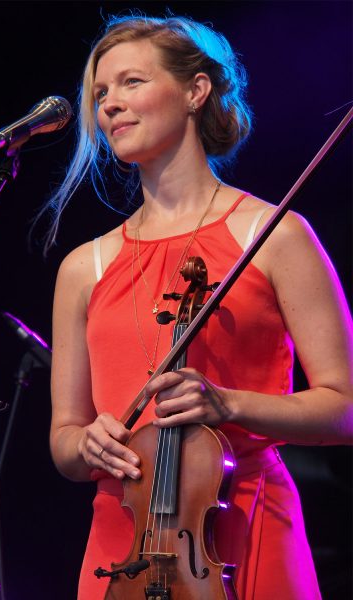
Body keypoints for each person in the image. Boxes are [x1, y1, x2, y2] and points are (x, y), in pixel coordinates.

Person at [46, 13, 353, 600]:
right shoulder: (82, 268)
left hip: (241, 521)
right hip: (123, 542)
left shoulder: (275, 234)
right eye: (100, 93)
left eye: (132, 82)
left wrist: (229, 403)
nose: (109, 104)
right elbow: (64, 436)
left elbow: (344, 409)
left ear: (195, 90)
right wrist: (84, 445)